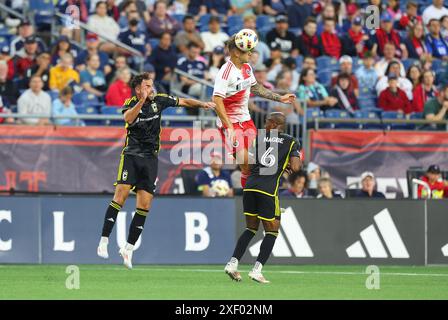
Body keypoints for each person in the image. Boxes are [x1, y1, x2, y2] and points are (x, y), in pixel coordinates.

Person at [97, 72, 216, 269]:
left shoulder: (159, 100)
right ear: (138, 89)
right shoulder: (130, 102)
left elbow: (183, 102)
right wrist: (141, 101)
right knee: (120, 197)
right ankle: (103, 240)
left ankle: (128, 248)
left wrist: (202, 104)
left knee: (144, 206)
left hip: (151, 159)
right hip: (132, 156)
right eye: (146, 86)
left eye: (151, 85)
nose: (151, 89)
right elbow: (128, 118)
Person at [224, 112, 302, 283]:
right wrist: (288, 163)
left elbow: (251, 163)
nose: (265, 124)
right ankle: (257, 270)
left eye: (267, 121)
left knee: (250, 228)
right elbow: (296, 168)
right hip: (267, 190)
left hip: (250, 187)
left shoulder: (259, 138)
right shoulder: (291, 141)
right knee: (272, 231)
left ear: (275, 124)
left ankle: (232, 264)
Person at [212, 35, 296, 189]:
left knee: (260, 162)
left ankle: (257, 198)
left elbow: (256, 88)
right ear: (237, 53)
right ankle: (251, 199)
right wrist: (229, 126)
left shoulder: (247, 68)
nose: (250, 53)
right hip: (231, 124)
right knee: (247, 164)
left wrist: (280, 98)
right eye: (247, 51)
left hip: (246, 121)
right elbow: (216, 100)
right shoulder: (226, 72)